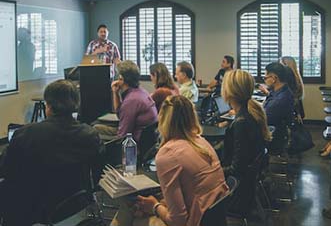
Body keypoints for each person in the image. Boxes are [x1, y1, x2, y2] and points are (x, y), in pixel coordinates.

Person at [0, 80, 105, 226]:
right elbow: (97, 172)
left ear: (48, 106)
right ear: (76, 104)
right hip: (73, 204)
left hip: (30, 208)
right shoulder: (90, 135)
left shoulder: (25, 134)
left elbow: (6, 170)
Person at [113, 95, 228, 226]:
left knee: (133, 214)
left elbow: (178, 221)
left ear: (162, 119)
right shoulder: (202, 143)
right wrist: (159, 204)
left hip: (195, 220)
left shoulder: (167, 155)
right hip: (210, 217)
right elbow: (191, 193)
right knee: (136, 207)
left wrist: (155, 207)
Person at [221, 69, 271, 216]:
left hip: (236, 195)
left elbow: (237, 168)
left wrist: (211, 172)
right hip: (246, 189)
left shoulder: (241, 123)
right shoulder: (250, 113)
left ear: (229, 91)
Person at [102, 60, 158, 141]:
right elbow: (120, 115)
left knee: (95, 134)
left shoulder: (131, 101)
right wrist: (115, 93)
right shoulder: (141, 92)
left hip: (134, 142)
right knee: (97, 127)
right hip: (145, 140)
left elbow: (122, 136)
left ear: (121, 79)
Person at [262, 62, 294, 154]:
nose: (264, 80)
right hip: (278, 131)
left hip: (274, 137)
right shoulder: (281, 91)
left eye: (265, 78)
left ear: (274, 78)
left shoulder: (280, 100)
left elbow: (262, 119)